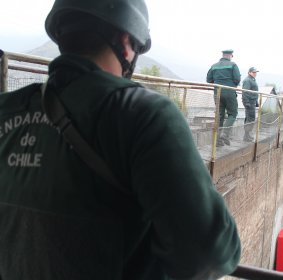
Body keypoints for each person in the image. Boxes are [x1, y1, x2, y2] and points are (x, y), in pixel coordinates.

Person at [0, 1, 241, 279]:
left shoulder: (7, 108)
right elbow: (212, 252)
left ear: (61, 34)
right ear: (127, 43)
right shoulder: (142, 114)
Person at [207, 49, 241, 146]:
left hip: (217, 93)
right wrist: (230, 84)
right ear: (230, 56)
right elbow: (237, 79)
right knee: (233, 114)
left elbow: (209, 79)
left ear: (223, 55)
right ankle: (225, 134)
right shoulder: (233, 65)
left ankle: (217, 141)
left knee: (220, 116)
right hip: (229, 92)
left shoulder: (214, 66)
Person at [242, 67, 259, 142]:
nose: (255, 73)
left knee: (250, 118)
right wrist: (247, 102)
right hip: (249, 102)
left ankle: (247, 135)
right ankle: (246, 136)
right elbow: (245, 92)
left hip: (252, 101)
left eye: (256, 72)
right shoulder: (247, 80)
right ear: (249, 72)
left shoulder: (252, 80)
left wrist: (256, 101)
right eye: (254, 72)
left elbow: (254, 91)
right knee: (250, 118)